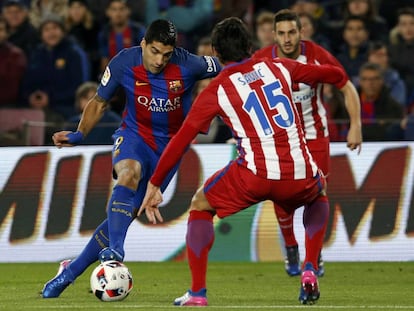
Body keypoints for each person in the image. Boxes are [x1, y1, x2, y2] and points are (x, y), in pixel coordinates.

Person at [138, 16, 361, 306]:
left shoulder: (217, 88)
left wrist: (155, 184)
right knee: (319, 192)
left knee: (200, 206)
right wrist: (337, 77)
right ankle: (309, 268)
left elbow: (181, 140)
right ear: (250, 45)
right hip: (298, 171)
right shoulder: (279, 66)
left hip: (253, 175)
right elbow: (333, 75)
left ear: (215, 54)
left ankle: (197, 293)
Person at [41, 18, 221, 298]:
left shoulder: (191, 65)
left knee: (121, 220)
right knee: (128, 173)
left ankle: (70, 271)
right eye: (154, 51)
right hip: (134, 136)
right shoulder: (123, 63)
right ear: (143, 44)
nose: (160, 60)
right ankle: (116, 251)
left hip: (170, 150)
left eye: (166, 54)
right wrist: (79, 134)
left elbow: (231, 66)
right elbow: (100, 102)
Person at [252, 9, 362, 277]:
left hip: (314, 136)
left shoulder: (316, 55)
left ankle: (313, 255)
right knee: (282, 197)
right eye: (282, 33)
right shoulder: (261, 60)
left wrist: (356, 125)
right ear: (274, 35)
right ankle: (291, 247)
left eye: (292, 32)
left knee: (317, 195)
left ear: (301, 32)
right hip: (280, 140)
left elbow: (345, 85)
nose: (287, 39)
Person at [357, 62, 405, 141]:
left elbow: (392, 134)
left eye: (374, 79)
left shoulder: (394, 107)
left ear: (381, 80)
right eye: (365, 79)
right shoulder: (348, 104)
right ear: (360, 81)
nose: (370, 83)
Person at [0, 15, 27, 107]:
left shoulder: (16, 55)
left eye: (0, 30)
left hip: (8, 105)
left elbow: (11, 90)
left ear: (7, 33)